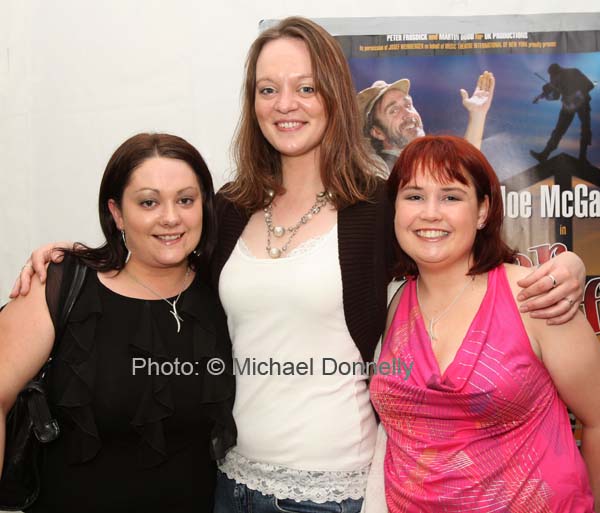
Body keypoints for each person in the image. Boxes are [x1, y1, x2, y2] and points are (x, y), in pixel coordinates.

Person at [10, 17, 588, 513]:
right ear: (253, 101)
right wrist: (72, 258)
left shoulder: (378, 205)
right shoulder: (228, 210)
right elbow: (158, 253)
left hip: (337, 491)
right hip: (229, 483)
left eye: (306, 87)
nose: (286, 104)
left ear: (334, 95)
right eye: (269, 89)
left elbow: (462, 255)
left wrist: (565, 265)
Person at [0, 133, 236, 513]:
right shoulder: (62, 285)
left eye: (186, 200)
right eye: (148, 202)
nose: (171, 217)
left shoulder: (228, 293)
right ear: (117, 212)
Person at [371, 134, 599, 512]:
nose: (430, 212)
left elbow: (596, 419)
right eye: (414, 196)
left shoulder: (534, 297)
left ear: (481, 211)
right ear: (394, 209)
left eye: (451, 196)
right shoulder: (392, 304)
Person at [357, 71, 494, 173]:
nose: (407, 113)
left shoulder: (427, 159)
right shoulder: (374, 168)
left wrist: (477, 114)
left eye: (408, 105)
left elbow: (462, 170)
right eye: (394, 110)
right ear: (377, 132)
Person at [530, 63, 594, 163]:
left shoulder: (573, 72)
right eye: (552, 78)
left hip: (582, 103)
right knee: (558, 130)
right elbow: (555, 96)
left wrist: (575, 96)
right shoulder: (555, 79)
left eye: (554, 77)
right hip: (568, 106)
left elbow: (589, 85)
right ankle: (544, 155)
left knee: (585, 128)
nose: (554, 81)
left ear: (559, 72)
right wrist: (542, 97)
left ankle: (583, 157)